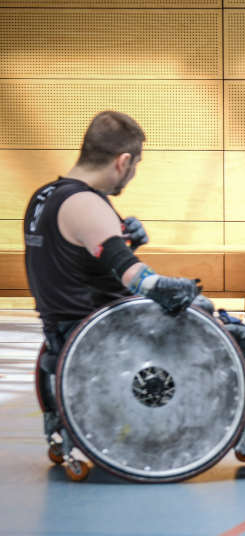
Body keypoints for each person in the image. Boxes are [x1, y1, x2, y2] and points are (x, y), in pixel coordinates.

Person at [23, 111, 201, 400]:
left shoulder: (44, 197)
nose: (132, 175)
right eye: (135, 166)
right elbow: (138, 279)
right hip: (105, 338)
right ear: (124, 161)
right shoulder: (86, 204)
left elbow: (73, 262)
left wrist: (125, 241)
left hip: (62, 332)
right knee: (208, 316)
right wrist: (179, 288)